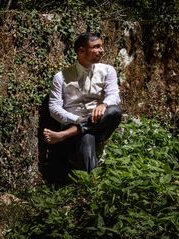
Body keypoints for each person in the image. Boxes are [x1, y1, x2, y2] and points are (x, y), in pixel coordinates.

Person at [43, 32, 122, 172]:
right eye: (96, 47)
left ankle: (64, 135)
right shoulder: (61, 77)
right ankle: (92, 184)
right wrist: (78, 119)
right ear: (81, 51)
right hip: (73, 124)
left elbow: (114, 96)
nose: (101, 50)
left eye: (101, 46)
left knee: (114, 111)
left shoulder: (108, 70)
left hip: (100, 124)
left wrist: (104, 105)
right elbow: (54, 108)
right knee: (86, 137)